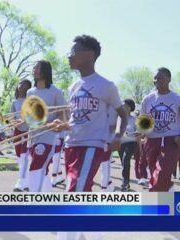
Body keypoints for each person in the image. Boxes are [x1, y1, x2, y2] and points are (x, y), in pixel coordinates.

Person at [51, 35, 127, 240]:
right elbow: (76, 119)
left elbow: (123, 114)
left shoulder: (106, 86)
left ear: (89, 55)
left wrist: (118, 137)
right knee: (79, 193)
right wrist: (63, 125)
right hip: (71, 145)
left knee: (74, 196)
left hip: (92, 146)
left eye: (74, 51)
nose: (69, 55)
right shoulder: (74, 86)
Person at [140, 67, 180, 192]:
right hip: (151, 141)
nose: (157, 80)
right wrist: (141, 131)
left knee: (160, 175)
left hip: (171, 141)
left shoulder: (178, 99)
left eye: (161, 77)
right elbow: (143, 122)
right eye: (155, 78)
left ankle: (154, 204)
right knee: (154, 174)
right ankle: (168, 187)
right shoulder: (147, 99)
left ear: (169, 79)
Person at [27, 60, 67, 192]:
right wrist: (22, 121)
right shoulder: (30, 92)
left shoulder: (55, 91)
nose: (34, 70)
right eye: (34, 68)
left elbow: (64, 112)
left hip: (48, 137)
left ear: (45, 71)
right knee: (41, 171)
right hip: (33, 136)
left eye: (37, 68)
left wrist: (57, 123)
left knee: (35, 168)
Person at [11, 79, 32, 191]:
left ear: (28, 87)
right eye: (20, 84)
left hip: (28, 132)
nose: (21, 86)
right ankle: (26, 182)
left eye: (24, 84)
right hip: (17, 132)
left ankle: (21, 182)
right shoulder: (14, 102)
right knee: (20, 158)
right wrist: (11, 123)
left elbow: (32, 117)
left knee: (24, 157)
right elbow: (11, 118)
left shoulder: (30, 101)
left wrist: (24, 121)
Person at [118, 99, 139, 191]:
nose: (122, 107)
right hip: (120, 144)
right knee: (124, 163)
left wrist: (138, 132)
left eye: (124, 105)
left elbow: (139, 132)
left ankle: (125, 182)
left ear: (129, 108)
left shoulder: (134, 119)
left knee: (126, 159)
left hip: (131, 143)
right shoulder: (118, 118)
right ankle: (126, 180)